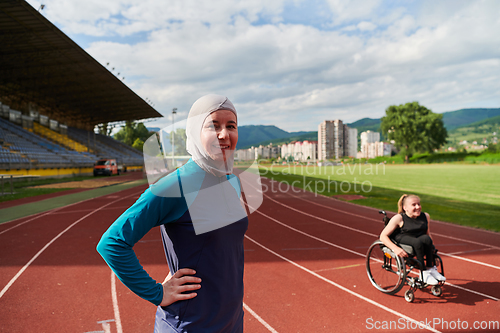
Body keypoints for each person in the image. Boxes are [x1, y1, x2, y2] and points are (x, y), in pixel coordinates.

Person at [97, 94, 248, 332]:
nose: (224, 134)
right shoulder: (175, 185)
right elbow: (112, 243)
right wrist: (157, 292)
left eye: (231, 126)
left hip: (231, 321)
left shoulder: (232, 182)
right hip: (190, 324)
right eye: (213, 125)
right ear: (195, 131)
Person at [379, 194, 445, 285]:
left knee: (426, 239)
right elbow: (383, 236)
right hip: (402, 238)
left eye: (419, 204)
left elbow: (428, 234)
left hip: (418, 239)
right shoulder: (399, 218)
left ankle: (431, 268)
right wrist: (396, 249)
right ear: (405, 207)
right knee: (417, 242)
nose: (418, 207)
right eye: (414, 205)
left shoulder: (425, 216)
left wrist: (433, 254)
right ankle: (424, 273)